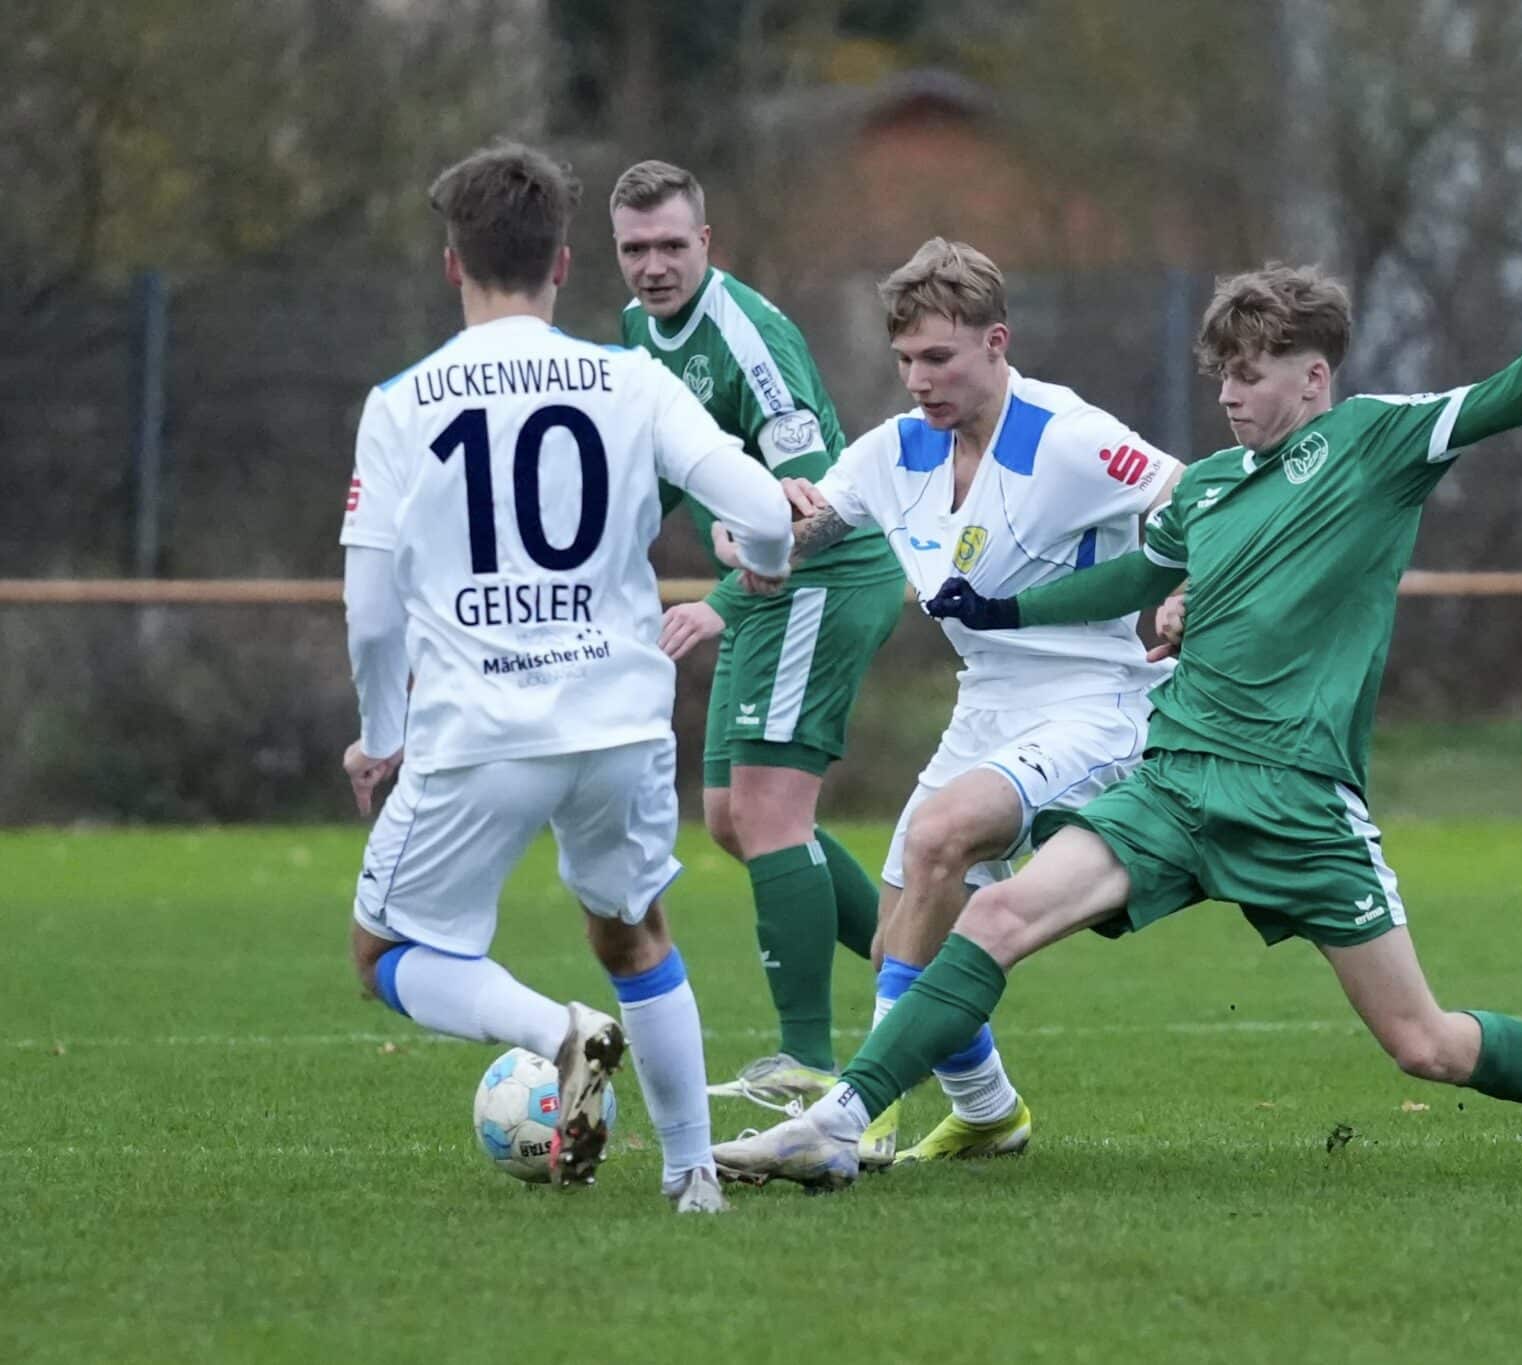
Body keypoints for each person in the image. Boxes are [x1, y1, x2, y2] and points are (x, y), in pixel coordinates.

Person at [712, 219, 1522, 1189]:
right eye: (1222, 377)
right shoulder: (1204, 489)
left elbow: (1521, 396)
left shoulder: (1375, 445)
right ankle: (842, 1119)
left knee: (1422, 1044)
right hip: (1176, 782)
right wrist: (1003, 605)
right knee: (999, 912)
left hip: (1297, 801)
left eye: (1250, 376)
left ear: (1313, 376)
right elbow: (1125, 581)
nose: (1230, 396)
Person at [340, 142, 793, 1214]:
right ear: (564, 262)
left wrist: (379, 735)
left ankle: (559, 1032)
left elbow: (371, 610)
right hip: (620, 720)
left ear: (453, 264)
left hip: (480, 727)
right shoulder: (632, 380)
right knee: (632, 933)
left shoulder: (402, 402)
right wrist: (765, 566)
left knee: (383, 951)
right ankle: (693, 1178)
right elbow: (764, 507)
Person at [700, 237, 1182, 1167]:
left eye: (939, 357)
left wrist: (1186, 585)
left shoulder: (1066, 434)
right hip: (986, 706)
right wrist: (755, 532)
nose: (919, 380)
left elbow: (1190, 496)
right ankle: (990, 1112)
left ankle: (854, 1117)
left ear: (996, 343)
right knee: (898, 950)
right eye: (905, 360)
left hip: (1093, 703)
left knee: (936, 836)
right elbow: (806, 528)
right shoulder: (896, 450)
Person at [611, 160, 905, 1109]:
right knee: (734, 820)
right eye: (634, 248)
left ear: (706, 242)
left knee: (772, 815)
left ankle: (807, 1060)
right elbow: (657, 477)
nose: (653, 266)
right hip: (762, 586)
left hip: (825, 576)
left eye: (671, 245)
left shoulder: (746, 338)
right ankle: (932, 967)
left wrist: (723, 603)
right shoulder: (635, 333)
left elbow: (809, 509)